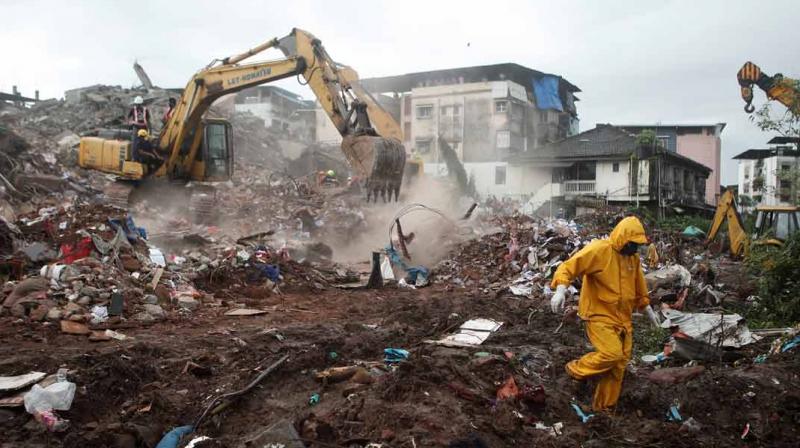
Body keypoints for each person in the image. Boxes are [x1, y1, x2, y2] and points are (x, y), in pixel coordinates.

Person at [549, 216, 660, 412]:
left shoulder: (632, 259)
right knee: (612, 354)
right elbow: (568, 267)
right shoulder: (599, 250)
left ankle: (603, 408)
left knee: (619, 365)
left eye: (637, 245)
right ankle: (574, 370)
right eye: (633, 244)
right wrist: (560, 290)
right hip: (598, 314)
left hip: (623, 319)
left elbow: (639, 288)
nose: (635, 249)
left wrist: (648, 310)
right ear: (623, 239)